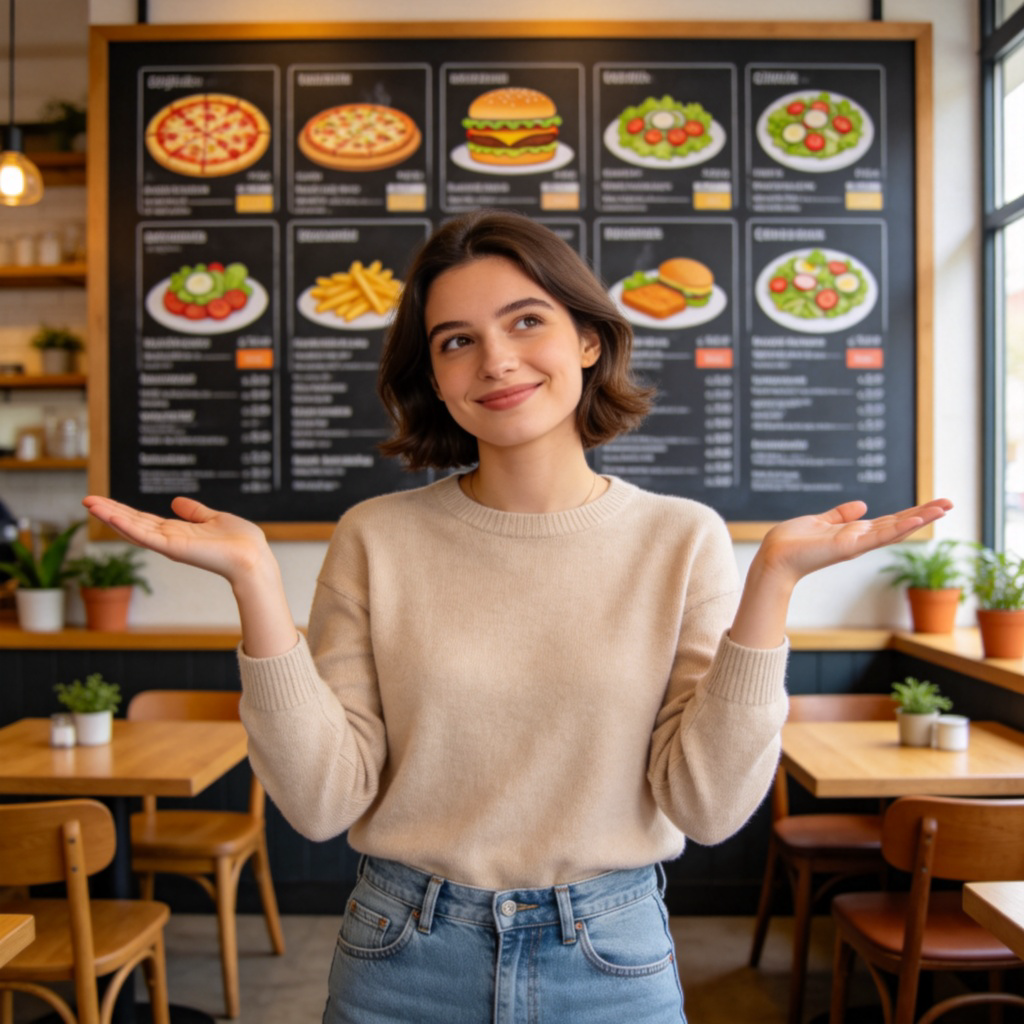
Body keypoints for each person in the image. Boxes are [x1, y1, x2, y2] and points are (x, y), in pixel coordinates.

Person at [84, 211, 951, 1024]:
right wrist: (253, 584)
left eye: (525, 321)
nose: (495, 360)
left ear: (586, 337)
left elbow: (711, 807)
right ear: (435, 376)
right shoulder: (377, 537)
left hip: (611, 956)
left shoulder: (681, 538)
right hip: (399, 953)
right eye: (457, 341)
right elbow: (319, 803)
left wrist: (773, 587)